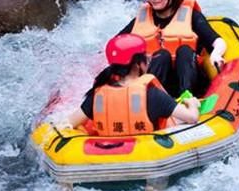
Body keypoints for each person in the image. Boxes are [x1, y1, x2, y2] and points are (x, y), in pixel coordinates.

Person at [118, 0, 227, 97]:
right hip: (159, 83)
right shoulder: (142, 17)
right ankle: (148, 100)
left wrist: (216, 54)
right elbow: (118, 43)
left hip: (191, 80)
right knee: (161, 55)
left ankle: (186, 99)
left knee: (184, 51)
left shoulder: (191, 15)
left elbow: (217, 41)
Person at [66, 34, 201, 134]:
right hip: (149, 154)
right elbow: (192, 118)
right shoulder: (153, 95)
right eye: (145, 58)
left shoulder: (97, 95)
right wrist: (192, 104)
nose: (148, 60)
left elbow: (69, 123)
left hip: (107, 159)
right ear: (137, 65)